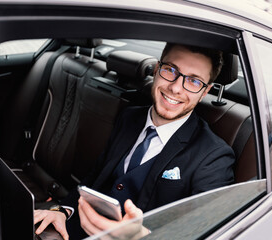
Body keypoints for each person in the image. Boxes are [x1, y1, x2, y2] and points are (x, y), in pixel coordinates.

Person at [34, 42, 235, 239]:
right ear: (157, 69)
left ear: (204, 92)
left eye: (194, 81)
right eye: (171, 70)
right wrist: (63, 211)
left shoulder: (214, 157)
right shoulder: (129, 117)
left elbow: (205, 232)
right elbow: (95, 178)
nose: (176, 88)